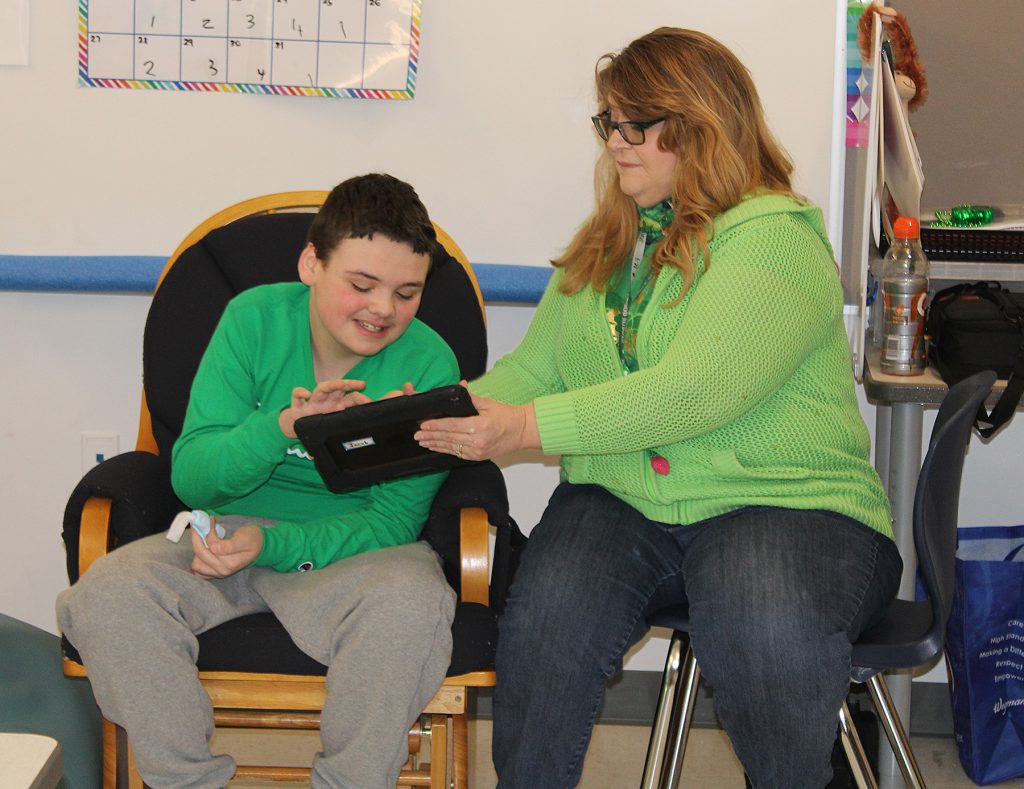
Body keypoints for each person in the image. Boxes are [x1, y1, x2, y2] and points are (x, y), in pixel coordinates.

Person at [415, 28, 902, 789]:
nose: (616, 143)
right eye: (608, 123)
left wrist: (525, 428)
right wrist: (414, 415)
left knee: (761, 629)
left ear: (701, 124)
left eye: (635, 124)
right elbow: (533, 367)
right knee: (543, 629)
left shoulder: (775, 238)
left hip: (781, 500)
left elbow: (691, 392)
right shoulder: (607, 239)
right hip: (624, 495)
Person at [57, 173, 459, 788]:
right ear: (311, 264)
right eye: (361, 284)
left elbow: (392, 523)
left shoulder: (429, 363)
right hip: (221, 534)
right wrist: (281, 429)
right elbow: (192, 479)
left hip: (353, 551)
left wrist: (275, 547)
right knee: (108, 596)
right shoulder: (250, 320)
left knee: (414, 602)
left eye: (408, 293)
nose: (384, 309)